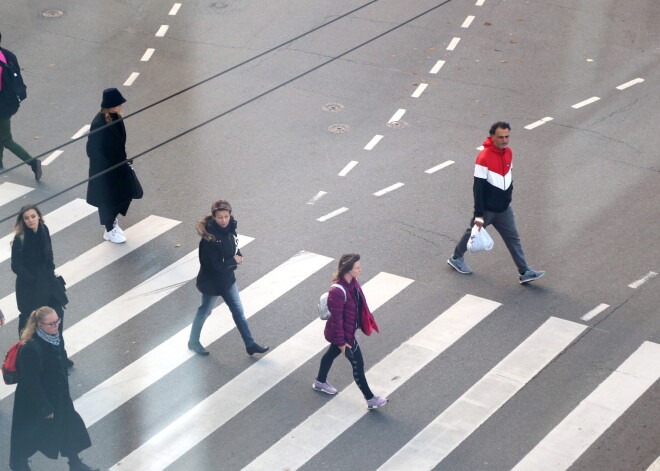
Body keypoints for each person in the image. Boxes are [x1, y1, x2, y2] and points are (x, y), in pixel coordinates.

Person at [447, 121, 546, 284]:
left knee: (513, 238)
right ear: (492, 137)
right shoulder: (483, 158)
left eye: (507, 136)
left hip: (504, 209)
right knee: (472, 233)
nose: (505, 140)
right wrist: (478, 214)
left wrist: (508, 197)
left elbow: (509, 176)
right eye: (501, 137)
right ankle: (456, 258)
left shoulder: (508, 153)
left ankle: (524, 271)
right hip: (487, 210)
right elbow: (477, 188)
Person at [9, 307, 99, 471]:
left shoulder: (56, 338)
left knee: (70, 430)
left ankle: (75, 464)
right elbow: (30, 383)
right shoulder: (30, 348)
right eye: (51, 323)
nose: (56, 325)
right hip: (35, 403)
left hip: (59, 397)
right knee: (28, 439)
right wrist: (44, 407)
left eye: (57, 321)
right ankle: (20, 466)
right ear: (39, 325)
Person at [188, 199, 269, 356]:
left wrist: (238, 255)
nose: (223, 220)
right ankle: (193, 341)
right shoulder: (209, 239)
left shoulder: (231, 228)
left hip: (227, 280)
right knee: (204, 311)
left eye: (226, 216)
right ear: (214, 217)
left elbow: (234, 246)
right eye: (220, 217)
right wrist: (234, 261)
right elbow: (213, 266)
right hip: (212, 284)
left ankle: (250, 344)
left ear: (230, 215)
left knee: (238, 311)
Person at [313, 253, 389, 410]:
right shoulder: (337, 292)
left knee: (330, 355)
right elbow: (337, 320)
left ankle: (320, 382)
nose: (360, 270)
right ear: (348, 269)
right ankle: (370, 399)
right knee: (358, 365)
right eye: (357, 267)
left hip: (347, 331)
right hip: (344, 335)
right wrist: (342, 343)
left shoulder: (352, 282)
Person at [10, 204, 73, 367]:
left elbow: (49, 252)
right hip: (30, 288)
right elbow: (16, 265)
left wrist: (50, 270)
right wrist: (33, 279)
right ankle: (30, 357)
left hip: (48, 283)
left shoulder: (44, 229)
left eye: (33, 216)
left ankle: (60, 356)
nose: (30, 220)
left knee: (56, 319)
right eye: (26, 218)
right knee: (30, 322)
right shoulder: (20, 238)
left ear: (38, 216)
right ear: (22, 221)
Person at [86, 87, 134, 244]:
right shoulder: (99, 123)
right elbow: (92, 150)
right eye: (118, 103)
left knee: (125, 194)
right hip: (105, 170)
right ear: (111, 105)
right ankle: (109, 229)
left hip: (118, 166)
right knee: (107, 199)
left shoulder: (116, 117)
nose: (121, 105)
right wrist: (105, 167)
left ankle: (112, 222)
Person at [0, 32, 41, 180]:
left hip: (2, 106)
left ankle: (32, 162)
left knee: (6, 139)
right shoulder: (8, 55)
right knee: (1, 134)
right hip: (10, 101)